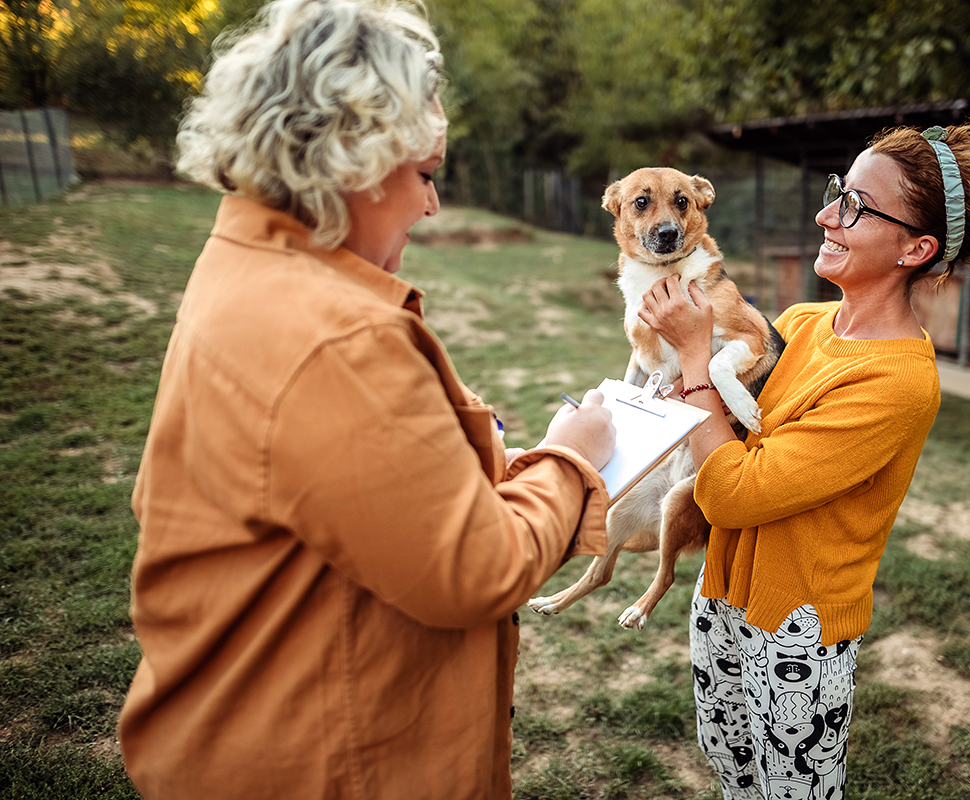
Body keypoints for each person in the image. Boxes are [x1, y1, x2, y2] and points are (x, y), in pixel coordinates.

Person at [117, 1, 615, 798]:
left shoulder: (239, 260)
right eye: (423, 174)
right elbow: (477, 569)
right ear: (354, 158)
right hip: (323, 764)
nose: (430, 205)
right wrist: (571, 457)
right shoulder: (336, 337)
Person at [638, 123, 970, 800]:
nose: (826, 215)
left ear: (916, 247)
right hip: (722, 595)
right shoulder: (801, 323)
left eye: (855, 205)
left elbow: (733, 492)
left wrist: (699, 362)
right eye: (835, 193)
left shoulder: (897, 383)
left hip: (797, 634)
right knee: (732, 772)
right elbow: (718, 435)